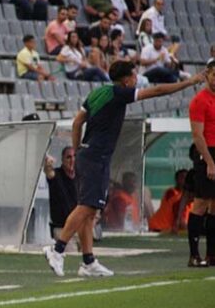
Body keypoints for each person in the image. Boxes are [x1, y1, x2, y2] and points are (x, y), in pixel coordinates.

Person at [44, 60, 203, 277]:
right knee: (86, 208)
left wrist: (77, 148)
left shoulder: (97, 93)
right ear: (126, 79)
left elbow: (77, 122)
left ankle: (88, 262)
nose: (136, 79)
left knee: (90, 211)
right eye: (135, 75)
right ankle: (57, 249)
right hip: (95, 158)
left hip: (88, 156)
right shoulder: (120, 93)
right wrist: (190, 82)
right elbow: (157, 91)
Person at [188, 61, 215, 266]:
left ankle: (212, 254)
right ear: (207, 76)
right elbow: (197, 136)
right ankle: (194, 254)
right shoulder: (199, 101)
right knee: (201, 203)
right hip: (206, 153)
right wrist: (209, 162)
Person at [44, 147, 79, 250]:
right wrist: (48, 164)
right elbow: (49, 172)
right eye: (68, 157)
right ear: (62, 159)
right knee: (70, 254)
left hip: (79, 228)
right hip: (62, 228)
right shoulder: (57, 175)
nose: (72, 160)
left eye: (74, 157)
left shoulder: (80, 177)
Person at [149, 169, 192, 233]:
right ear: (176, 180)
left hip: (167, 229)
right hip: (159, 227)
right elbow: (180, 221)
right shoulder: (173, 193)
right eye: (182, 178)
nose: (185, 181)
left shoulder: (188, 198)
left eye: (187, 178)